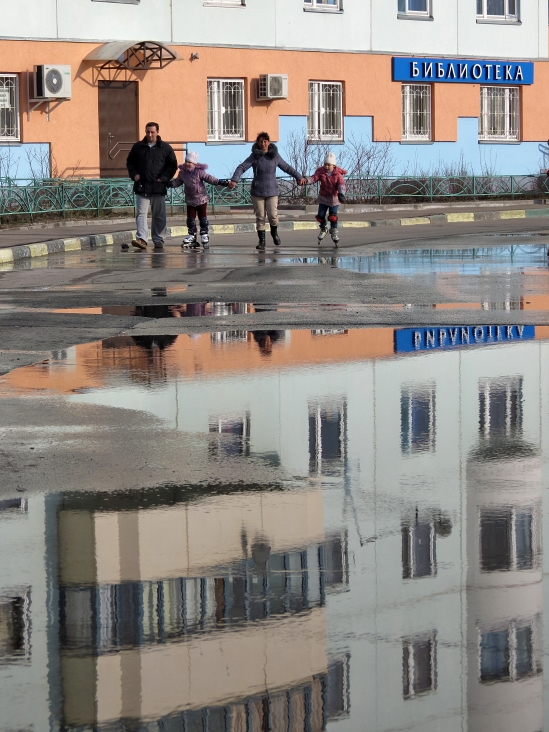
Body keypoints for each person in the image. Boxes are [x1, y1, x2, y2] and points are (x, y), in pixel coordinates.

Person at [228, 132, 305, 250]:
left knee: (273, 215)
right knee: (260, 216)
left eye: (265, 141)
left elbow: (287, 167)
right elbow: (242, 167)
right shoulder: (254, 156)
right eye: (260, 141)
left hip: (272, 191)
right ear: (257, 143)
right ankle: (262, 241)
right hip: (257, 191)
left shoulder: (274, 156)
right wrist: (234, 180)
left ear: (269, 142)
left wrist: (298, 177)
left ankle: (274, 233)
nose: (263, 144)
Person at [126, 122, 178, 252]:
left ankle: (158, 239)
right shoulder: (138, 147)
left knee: (159, 215)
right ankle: (142, 239)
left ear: (157, 132)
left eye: (152, 132)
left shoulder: (165, 148)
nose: (149, 134)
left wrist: (164, 178)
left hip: (158, 187)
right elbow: (130, 162)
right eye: (147, 132)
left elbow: (172, 165)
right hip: (142, 186)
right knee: (141, 214)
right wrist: (134, 174)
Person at [170, 151, 229, 249]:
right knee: (190, 219)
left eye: (190, 162)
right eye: (186, 161)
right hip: (190, 199)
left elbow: (209, 178)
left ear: (194, 163)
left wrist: (220, 182)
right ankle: (192, 235)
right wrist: (169, 184)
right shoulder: (183, 173)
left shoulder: (199, 172)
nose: (187, 164)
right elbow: (177, 182)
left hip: (201, 199)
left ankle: (204, 233)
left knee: (203, 218)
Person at [305, 152, 346, 246]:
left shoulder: (337, 174)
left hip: (334, 199)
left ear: (333, 165)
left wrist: (341, 193)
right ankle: (324, 228)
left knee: (333, 216)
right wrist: (306, 181)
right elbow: (313, 178)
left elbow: (341, 184)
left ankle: (334, 231)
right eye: (325, 164)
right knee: (320, 215)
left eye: (329, 165)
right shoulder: (321, 172)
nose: (326, 167)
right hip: (323, 198)